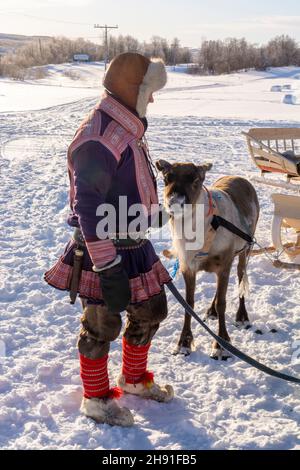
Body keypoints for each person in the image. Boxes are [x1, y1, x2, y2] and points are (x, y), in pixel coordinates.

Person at [45, 53, 173, 427]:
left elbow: (128, 182)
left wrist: (153, 212)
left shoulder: (126, 127)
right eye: (149, 91)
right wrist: (107, 265)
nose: (152, 100)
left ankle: (133, 380)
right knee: (101, 325)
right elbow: (88, 206)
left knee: (152, 311)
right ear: (133, 90)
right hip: (103, 250)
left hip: (134, 242)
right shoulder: (100, 136)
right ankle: (97, 400)